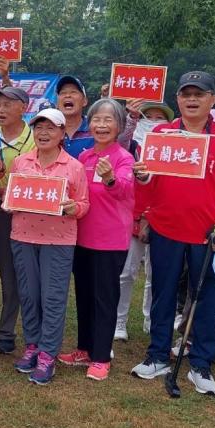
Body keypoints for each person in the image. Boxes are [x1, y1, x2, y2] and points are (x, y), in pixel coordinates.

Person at [130, 71, 215, 397]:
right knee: (163, 293)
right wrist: (141, 177)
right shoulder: (162, 133)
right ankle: (158, 355)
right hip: (167, 227)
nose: (192, 100)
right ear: (177, 99)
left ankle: (201, 363)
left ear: (213, 100)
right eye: (186, 94)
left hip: (207, 232)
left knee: (208, 298)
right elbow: (148, 183)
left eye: (200, 94)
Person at [8, 108, 89, 385]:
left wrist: (72, 208)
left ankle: (48, 354)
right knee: (29, 295)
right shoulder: (21, 163)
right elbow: (13, 194)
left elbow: (84, 205)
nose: (43, 133)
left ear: (62, 133)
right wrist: (9, 203)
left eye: (50, 128)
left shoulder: (74, 167)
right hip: (23, 236)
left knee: (52, 298)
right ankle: (32, 345)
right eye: (38, 127)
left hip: (58, 239)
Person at [59, 99, 134, 381]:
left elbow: (125, 190)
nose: (101, 125)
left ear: (119, 126)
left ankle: (102, 356)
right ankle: (84, 349)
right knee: (84, 296)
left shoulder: (124, 158)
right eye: (97, 120)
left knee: (105, 298)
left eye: (108, 120)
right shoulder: (85, 157)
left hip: (110, 241)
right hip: (81, 237)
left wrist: (111, 178)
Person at [115, 100, 172, 339]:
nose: (154, 122)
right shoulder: (133, 145)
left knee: (155, 271)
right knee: (127, 272)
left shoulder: (175, 148)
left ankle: (150, 318)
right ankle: (119, 322)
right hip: (133, 212)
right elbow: (122, 141)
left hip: (163, 214)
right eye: (150, 117)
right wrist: (132, 118)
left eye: (160, 118)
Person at [0, 85, 34, 354]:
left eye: (8, 104)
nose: (1, 109)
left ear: (23, 108)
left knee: (10, 274)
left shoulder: (33, 139)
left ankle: (6, 331)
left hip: (12, 214)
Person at [55, 76, 94, 158]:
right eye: (63, 93)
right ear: (57, 104)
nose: (68, 95)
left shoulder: (95, 129)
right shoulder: (49, 131)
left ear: (84, 101)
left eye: (73, 92)